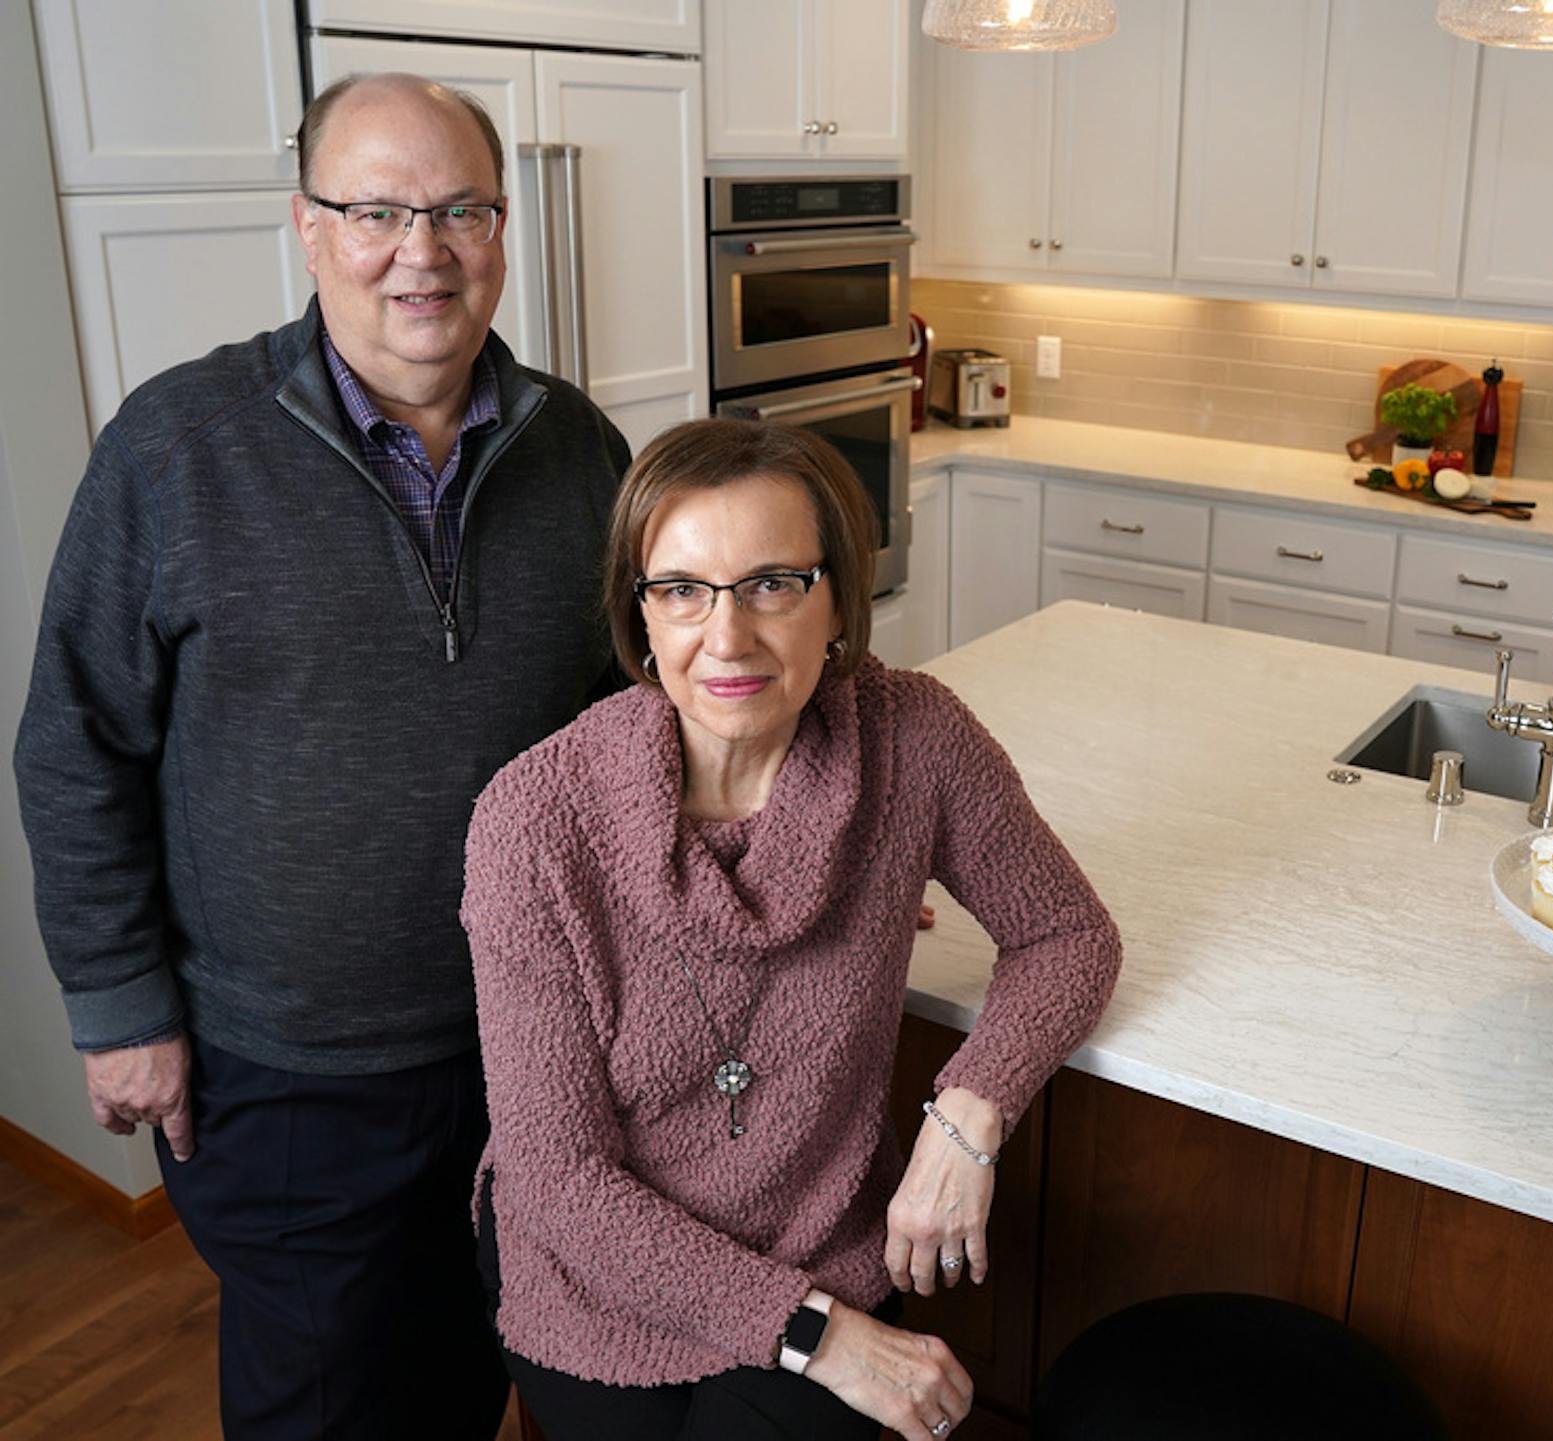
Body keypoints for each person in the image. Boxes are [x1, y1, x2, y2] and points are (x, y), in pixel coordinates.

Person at [12, 73, 630, 1438]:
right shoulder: (177, 449)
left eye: (462, 208)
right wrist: (118, 1003)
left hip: (527, 1042)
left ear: (504, 228)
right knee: (325, 1404)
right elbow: (75, 742)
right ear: (306, 228)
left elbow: (641, 724)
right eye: (378, 210)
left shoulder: (579, 450)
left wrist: (809, 830)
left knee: (474, 1373)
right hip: (283, 1075)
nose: (425, 249)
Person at [461, 418, 1122, 1441]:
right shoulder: (535, 820)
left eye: (773, 582)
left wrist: (970, 1116)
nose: (725, 637)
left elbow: (1067, 933)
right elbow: (559, 1180)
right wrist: (821, 1337)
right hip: (599, 1283)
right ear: (639, 618)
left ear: (840, 603)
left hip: (820, 1245)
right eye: (680, 589)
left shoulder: (915, 741)